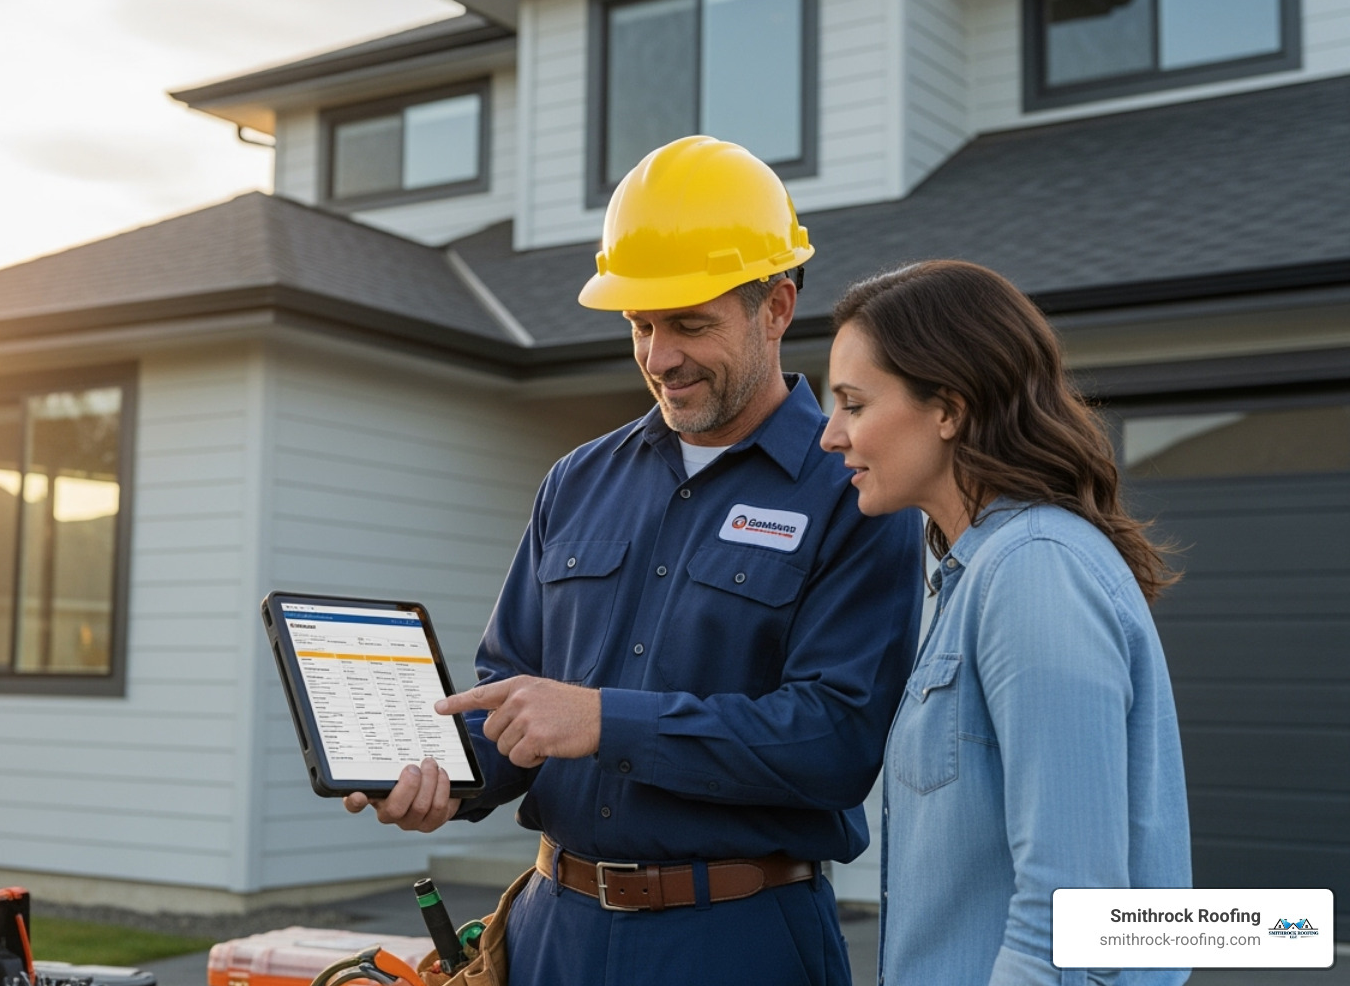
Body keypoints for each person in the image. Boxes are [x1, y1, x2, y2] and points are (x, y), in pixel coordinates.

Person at [343, 135, 924, 986]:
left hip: (738, 943)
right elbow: (514, 695)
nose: (659, 357)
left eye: (691, 323)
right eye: (640, 325)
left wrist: (608, 720)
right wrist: (440, 778)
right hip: (551, 934)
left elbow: (835, 740)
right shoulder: (576, 480)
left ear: (776, 307)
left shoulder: (851, 488)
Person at [820, 260, 1192, 985]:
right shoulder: (979, 572)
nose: (830, 434)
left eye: (854, 405)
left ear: (949, 410)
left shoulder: (1033, 572)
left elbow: (1068, 916)